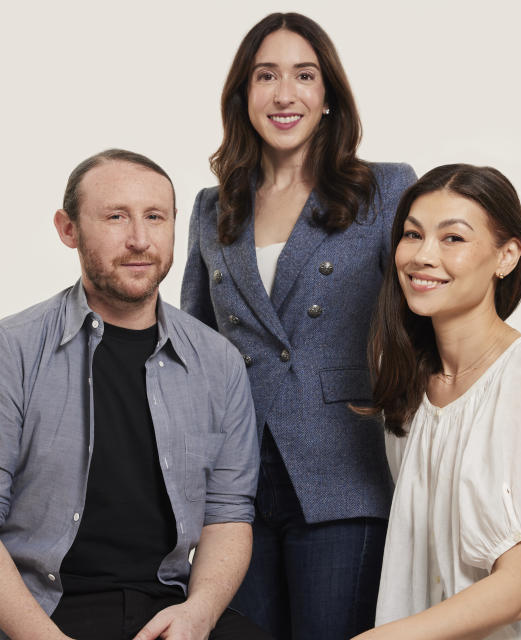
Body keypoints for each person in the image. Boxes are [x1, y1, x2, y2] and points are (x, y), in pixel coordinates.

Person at [0, 149, 270, 640]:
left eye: (155, 217)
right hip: (38, 614)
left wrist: (197, 614)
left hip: (163, 608)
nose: (140, 239)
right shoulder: (10, 351)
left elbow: (228, 517)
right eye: (116, 217)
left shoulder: (218, 364)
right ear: (68, 229)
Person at [180, 12, 416, 640]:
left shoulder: (385, 189)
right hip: (235, 483)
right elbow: (194, 345)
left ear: (329, 95)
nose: (284, 94)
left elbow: (426, 304)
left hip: (344, 468)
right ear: (243, 95)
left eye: (304, 75)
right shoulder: (212, 207)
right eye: (266, 76)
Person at [353, 164, 521, 639]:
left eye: (453, 239)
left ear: (507, 256)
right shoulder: (412, 395)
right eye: (412, 234)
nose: (423, 256)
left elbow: (519, 589)